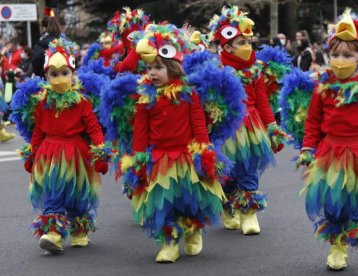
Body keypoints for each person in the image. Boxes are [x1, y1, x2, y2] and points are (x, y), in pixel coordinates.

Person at [296, 10, 358, 275]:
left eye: (348, 55)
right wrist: (308, 152)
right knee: (334, 206)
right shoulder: (322, 86)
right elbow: (313, 123)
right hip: (329, 154)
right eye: (335, 55)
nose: (340, 60)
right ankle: (337, 247)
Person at [121, 23, 226, 263]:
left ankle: (192, 231)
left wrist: (204, 151)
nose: (152, 73)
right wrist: (138, 158)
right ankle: (168, 242)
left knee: (190, 201)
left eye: (158, 67)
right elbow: (141, 130)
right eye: (148, 68)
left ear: (174, 67)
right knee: (163, 205)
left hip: (186, 156)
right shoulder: (145, 97)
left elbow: (198, 124)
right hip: (159, 159)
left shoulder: (188, 93)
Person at [11, 36, 110, 255]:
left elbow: (93, 128)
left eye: (64, 73)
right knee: (53, 193)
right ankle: (53, 234)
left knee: (77, 195)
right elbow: (38, 131)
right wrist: (32, 153)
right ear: (46, 75)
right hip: (50, 155)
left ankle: (79, 229)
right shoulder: (43, 102)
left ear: (73, 73)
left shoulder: (81, 102)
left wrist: (100, 151)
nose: (59, 79)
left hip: (76, 154)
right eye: (53, 74)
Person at [208, 5, 286, 235]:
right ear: (226, 45)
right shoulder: (216, 69)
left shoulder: (255, 70)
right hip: (226, 125)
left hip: (252, 125)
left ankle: (248, 213)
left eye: (248, 42)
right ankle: (228, 206)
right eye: (241, 43)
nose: (246, 47)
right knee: (229, 171)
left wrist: (272, 128)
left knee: (250, 167)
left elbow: (262, 101)